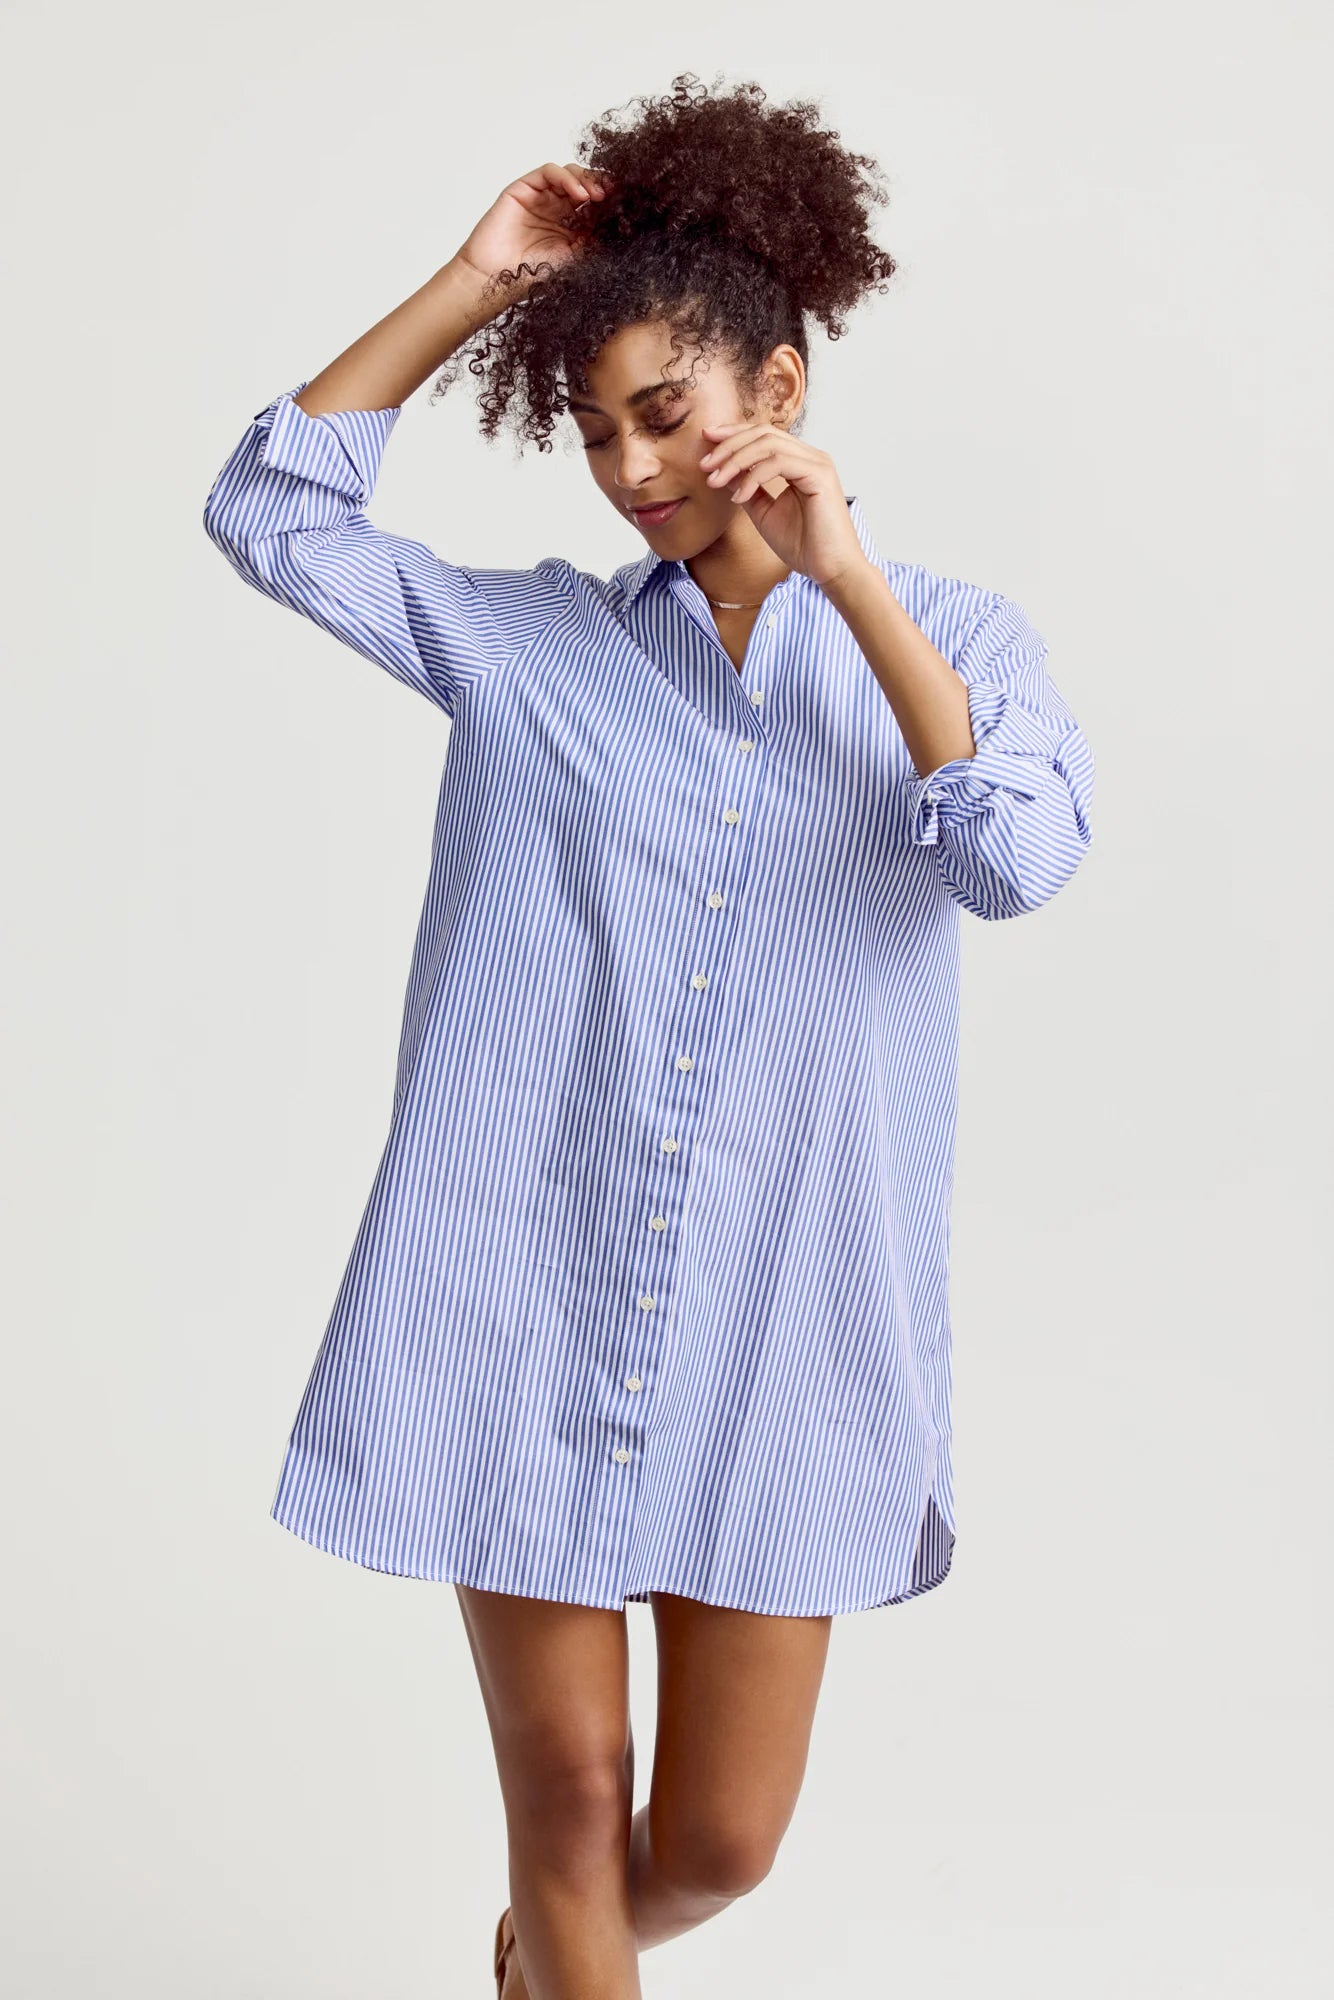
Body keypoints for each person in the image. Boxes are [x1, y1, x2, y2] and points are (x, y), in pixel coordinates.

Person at [203, 72, 1095, 2000]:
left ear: (779, 387)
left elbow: (1013, 861)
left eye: (665, 414)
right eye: (596, 431)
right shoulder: (519, 644)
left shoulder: (953, 639)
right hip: (513, 1297)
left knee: (713, 1842)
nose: (626, 468)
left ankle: (544, 1969)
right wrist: (470, 278)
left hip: (794, 1325)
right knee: (569, 1783)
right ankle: (571, 1953)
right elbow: (266, 511)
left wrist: (849, 584)